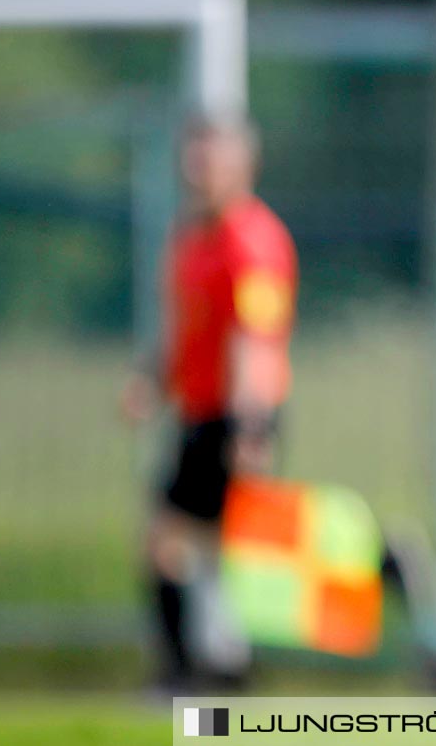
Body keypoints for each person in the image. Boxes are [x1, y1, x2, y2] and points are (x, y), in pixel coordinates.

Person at [121, 115, 297, 691]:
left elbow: (256, 337)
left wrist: (251, 426)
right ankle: (216, 673)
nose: (200, 171)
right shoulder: (190, 237)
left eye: (212, 159)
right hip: (199, 412)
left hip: (236, 415)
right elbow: (186, 330)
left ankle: (187, 676)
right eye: (193, 158)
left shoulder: (253, 241)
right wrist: (154, 381)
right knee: (212, 547)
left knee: (190, 544)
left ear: (244, 165)